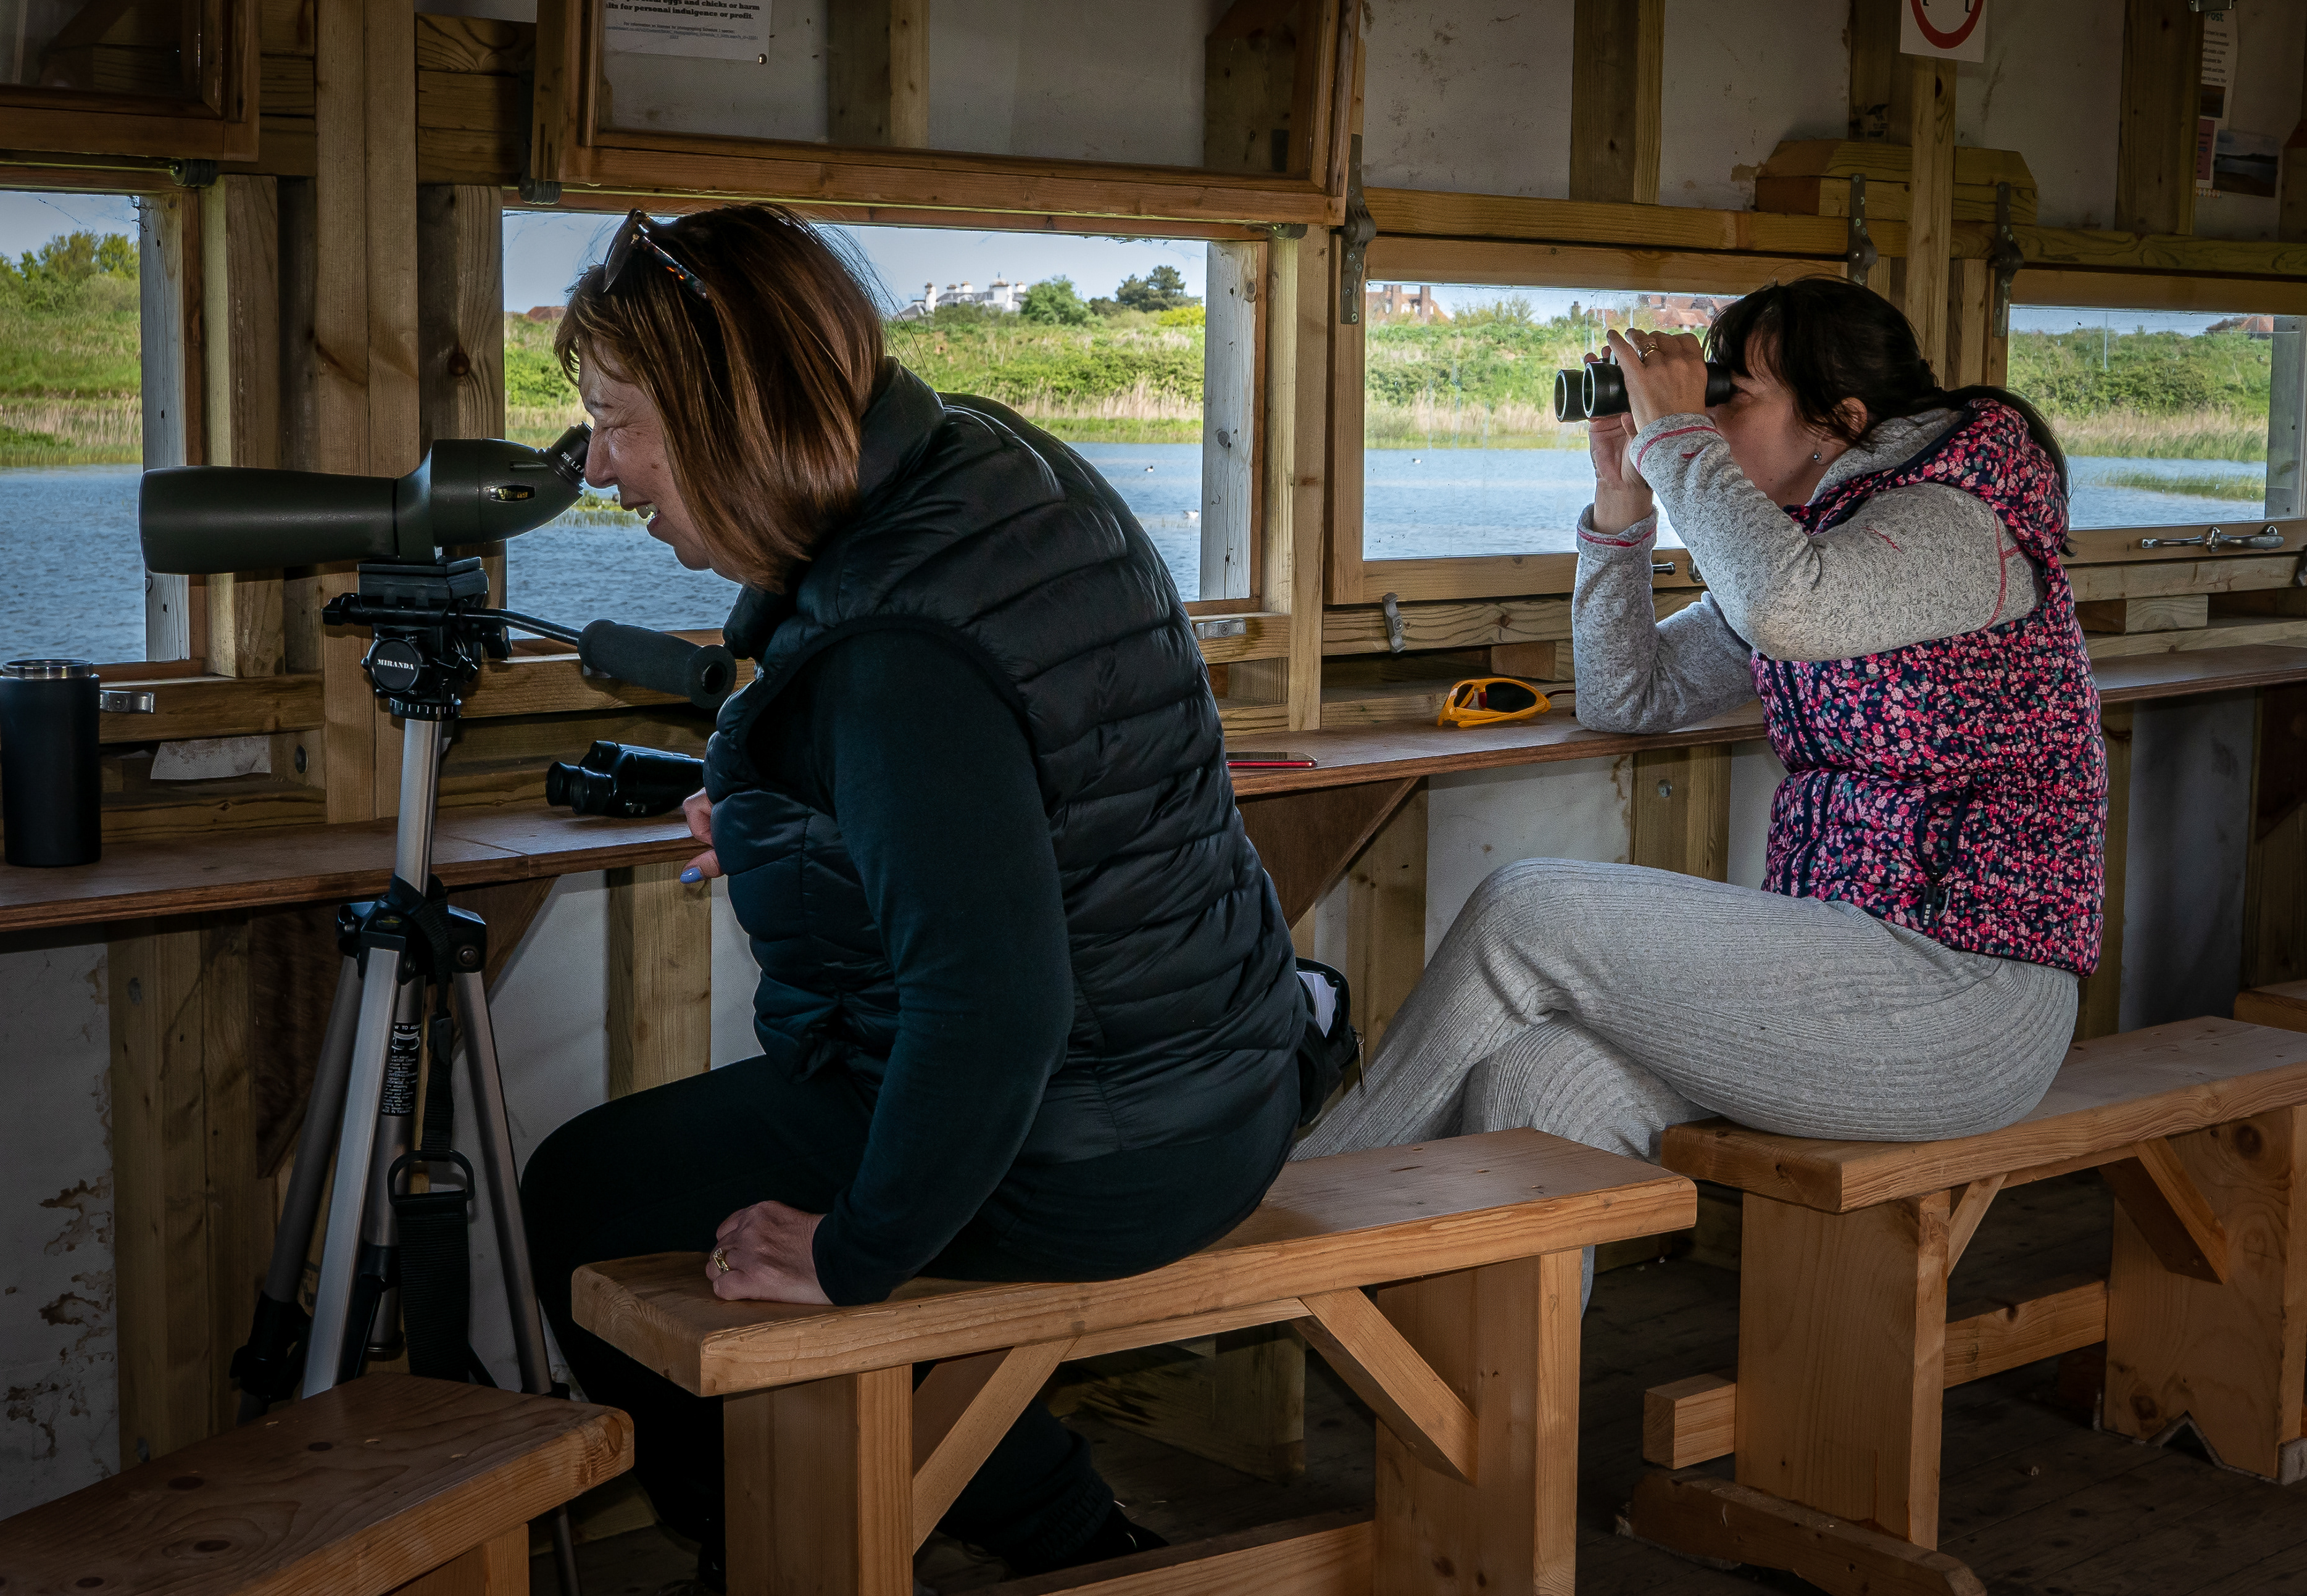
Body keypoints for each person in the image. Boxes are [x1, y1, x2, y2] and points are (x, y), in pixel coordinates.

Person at [520, 205, 1308, 1590]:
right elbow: (1026, 809)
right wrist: (777, 821)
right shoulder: (986, 468)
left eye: (616, 419)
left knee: (591, 1198)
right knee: (725, 1180)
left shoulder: (894, 651)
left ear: (731, 412)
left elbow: (994, 1010)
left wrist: (855, 1253)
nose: (600, 467)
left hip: (1099, 1148)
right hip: (1221, 1080)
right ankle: (1047, 1516)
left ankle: (772, 1548)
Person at [1294, 278, 2105, 1268]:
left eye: (1734, 394)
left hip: (1968, 1000)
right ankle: (1500, 1418)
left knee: (1529, 910)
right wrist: (1624, 502)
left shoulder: (1956, 527)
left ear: (1837, 423)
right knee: (1533, 1093)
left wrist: (1680, 441)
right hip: (1842, 974)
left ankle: (1285, 1217)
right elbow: (1629, 695)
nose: (1710, 418)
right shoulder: (1814, 546)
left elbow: (1788, 610)